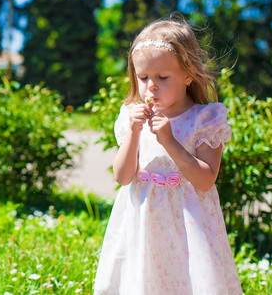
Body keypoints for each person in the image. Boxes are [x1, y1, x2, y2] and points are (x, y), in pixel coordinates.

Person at [93, 17, 243, 294]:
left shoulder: (205, 118)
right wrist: (135, 133)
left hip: (188, 224)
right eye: (143, 77)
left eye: (162, 77)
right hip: (142, 221)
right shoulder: (130, 116)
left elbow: (206, 180)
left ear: (188, 74)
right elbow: (123, 177)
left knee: (187, 280)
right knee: (144, 278)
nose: (151, 86)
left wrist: (170, 141)